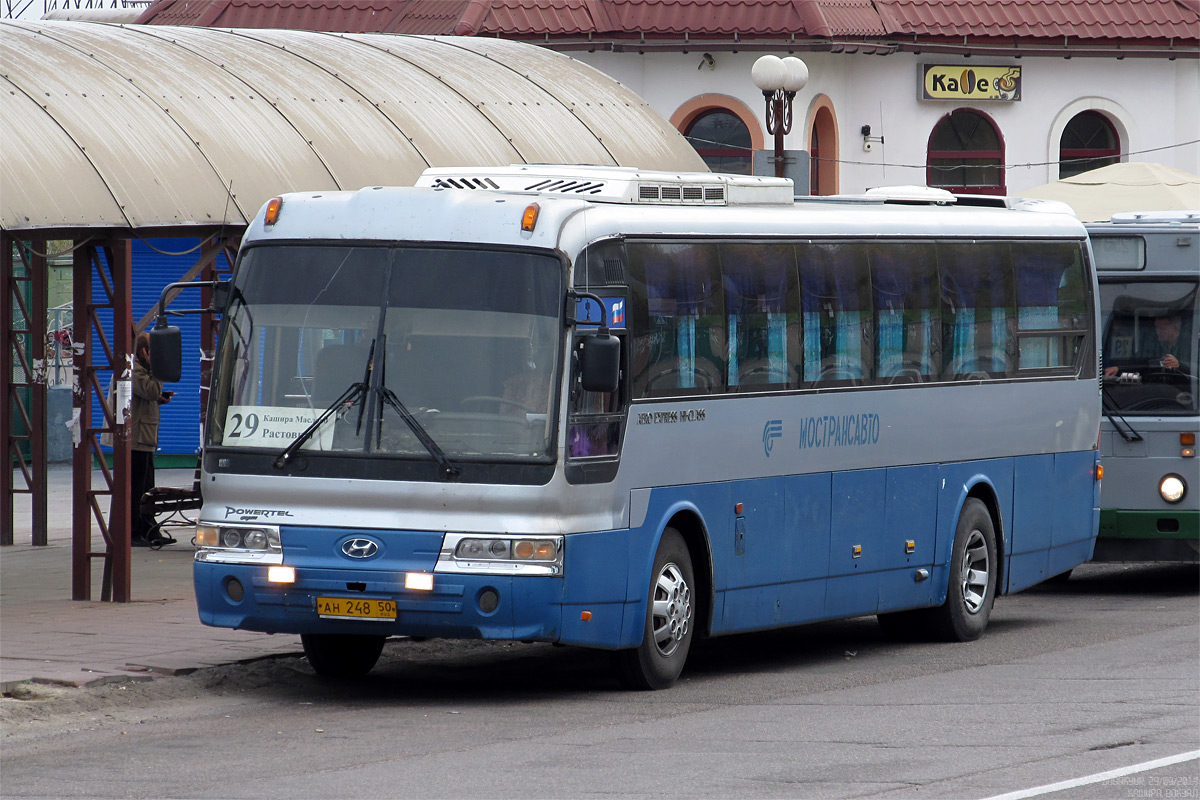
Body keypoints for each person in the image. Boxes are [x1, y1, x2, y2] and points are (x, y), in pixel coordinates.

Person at [130, 332, 174, 547]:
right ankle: (133, 531)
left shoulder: (141, 370)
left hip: (143, 438)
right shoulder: (134, 370)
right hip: (134, 440)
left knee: (147, 487)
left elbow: (148, 395)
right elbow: (148, 390)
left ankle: (148, 528)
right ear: (144, 352)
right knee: (137, 488)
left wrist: (160, 398)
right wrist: (159, 370)